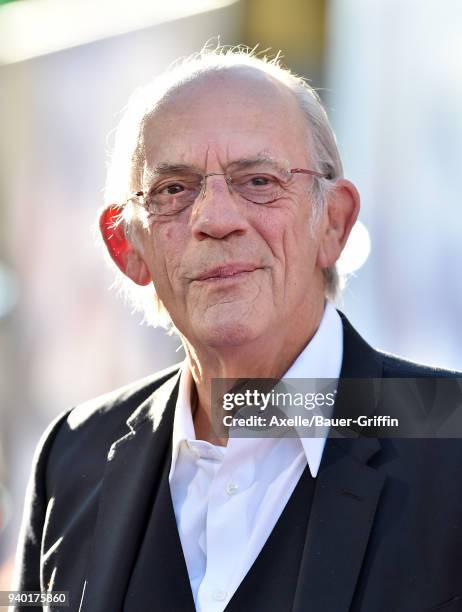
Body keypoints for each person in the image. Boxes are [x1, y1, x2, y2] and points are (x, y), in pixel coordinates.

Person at [12, 46, 462, 612]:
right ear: (128, 247)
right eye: (174, 189)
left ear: (334, 223)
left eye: (258, 180)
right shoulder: (73, 457)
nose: (216, 219)